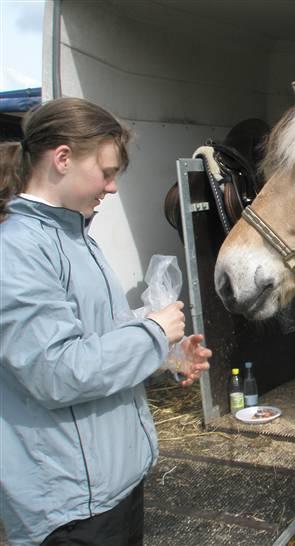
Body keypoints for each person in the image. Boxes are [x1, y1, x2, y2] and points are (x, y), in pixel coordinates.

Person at [0, 97, 211, 545]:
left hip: (112, 485)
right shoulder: (16, 250)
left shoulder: (75, 237)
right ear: (62, 158)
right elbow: (56, 371)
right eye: (107, 172)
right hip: (71, 505)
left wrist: (164, 358)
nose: (112, 187)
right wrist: (153, 333)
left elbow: (95, 338)